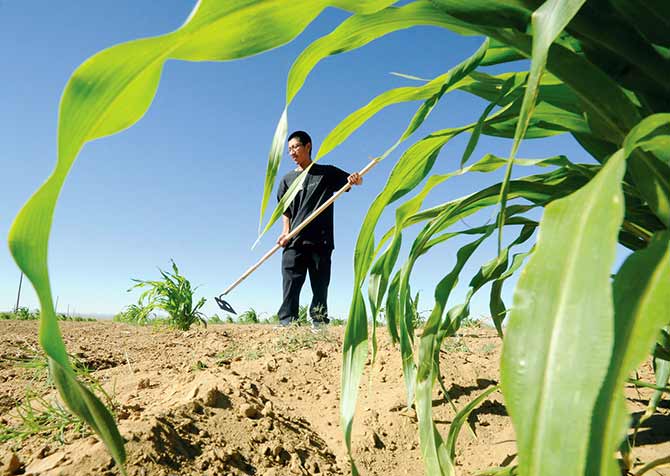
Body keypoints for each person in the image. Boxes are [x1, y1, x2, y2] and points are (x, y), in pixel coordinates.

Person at [276, 130, 362, 327]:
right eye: (289, 149)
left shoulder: (326, 173)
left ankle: (319, 322)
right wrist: (285, 231)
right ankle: (287, 323)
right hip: (294, 241)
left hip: (320, 241)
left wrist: (356, 179)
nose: (292, 153)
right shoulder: (287, 180)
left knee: (320, 285)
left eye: (295, 147)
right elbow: (285, 210)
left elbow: (353, 181)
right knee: (290, 284)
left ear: (308, 146)